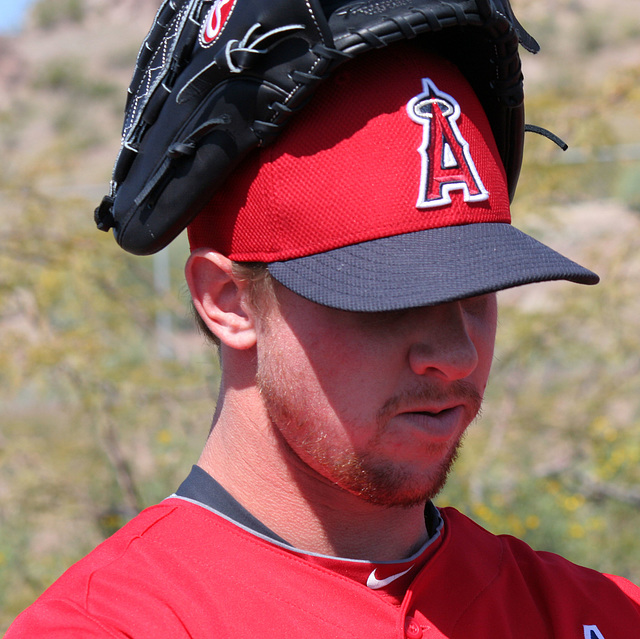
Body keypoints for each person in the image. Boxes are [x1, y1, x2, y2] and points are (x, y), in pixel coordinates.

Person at [7, 28, 640, 639]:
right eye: (389, 299)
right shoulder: (110, 626)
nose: (456, 354)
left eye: (476, 290)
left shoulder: (602, 614)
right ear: (228, 302)